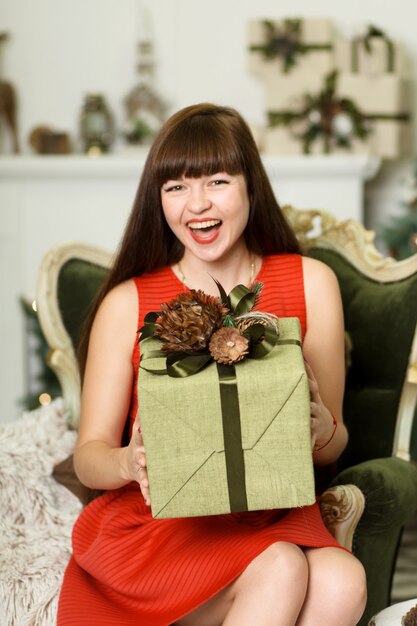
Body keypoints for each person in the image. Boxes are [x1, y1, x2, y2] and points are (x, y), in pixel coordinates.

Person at [57, 103, 367, 626]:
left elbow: (333, 443)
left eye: (217, 181)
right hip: (161, 524)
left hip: (274, 510)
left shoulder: (313, 283)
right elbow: (89, 455)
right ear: (157, 200)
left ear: (251, 186)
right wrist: (130, 462)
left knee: (343, 581)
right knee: (280, 568)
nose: (196, 205)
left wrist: (321, 428)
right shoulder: (127, 302)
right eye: (175, 187)